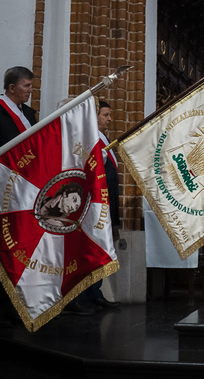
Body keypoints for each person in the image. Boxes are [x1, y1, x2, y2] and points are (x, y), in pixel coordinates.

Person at [0, 66, 38, 328]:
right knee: (0, 253)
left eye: (31, 87)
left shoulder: (30, 116)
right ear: (11, 88)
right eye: (26, 86)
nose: (30, 91)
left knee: (20, 253)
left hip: (25, 195)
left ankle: (13, 304)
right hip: (3, 197)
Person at [70, 99, 122, 312]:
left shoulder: (103, 139)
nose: (110, 119)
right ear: (94, 116)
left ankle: (94, 293)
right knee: (85, 251)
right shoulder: (87, 140)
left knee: (97, 249)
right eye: (105, 115)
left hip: (104, 203)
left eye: (109, 115)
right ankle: (79, 296)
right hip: (90, 206)